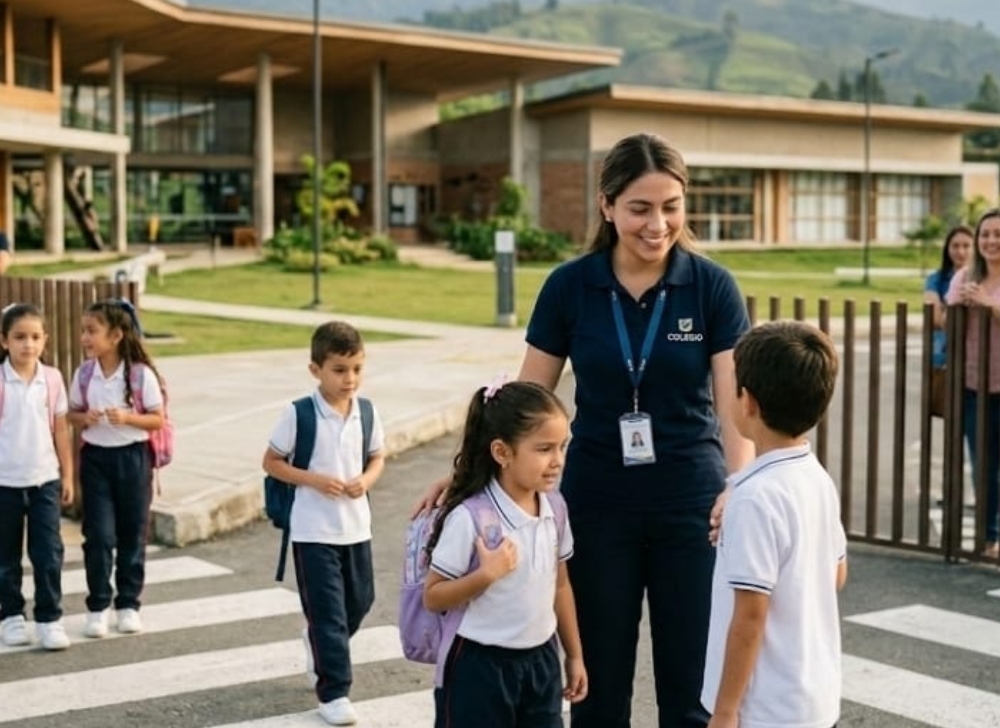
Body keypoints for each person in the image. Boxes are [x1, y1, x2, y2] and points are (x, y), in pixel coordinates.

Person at [415, 133, 754, 727]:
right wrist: (465, 475)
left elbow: (733, 409)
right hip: (596, 508)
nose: (658, 224)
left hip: (693, 508)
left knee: (690, 689)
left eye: (671, 207)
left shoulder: (711, 288)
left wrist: (741, 487)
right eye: (640, 208)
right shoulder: (570, 287)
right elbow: (523, 401)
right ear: (606, 206)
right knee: (597, 689)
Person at [700, 321, 847, 728]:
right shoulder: (817, 478)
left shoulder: (753, 497)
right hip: (812, 698)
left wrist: (726, 710)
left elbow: (750, 617)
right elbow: (836, 573)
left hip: (764, 708)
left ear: (748, 402)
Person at [424, 380, 587, 728]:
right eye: (544, 449)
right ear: (502, 452)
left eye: (562, 447)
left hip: (541, 659)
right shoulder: (470, 518)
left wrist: (574, 655)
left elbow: (560, 586)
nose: (557, 461)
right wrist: (485, 576)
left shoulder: (555, 509)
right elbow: (433, 597)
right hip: (478, 667)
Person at [262, 321, 386, 726]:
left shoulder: (366, 411)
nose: (349, 379)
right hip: (313, 531)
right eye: (339, 369)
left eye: (356, 369)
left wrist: (365, 481)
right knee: (329, 614)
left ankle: (318, 641)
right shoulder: (298, 414)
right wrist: (314, 480)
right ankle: (334, 692)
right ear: (316, 370)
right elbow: (272, 462)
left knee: (360, 602)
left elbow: (377, 457)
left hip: (356, 528)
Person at [67, 300, 164, 638]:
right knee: (98, 536)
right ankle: (97, 606)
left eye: (92, 331)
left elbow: (157, 419)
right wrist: (84, 418)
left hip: (134, 460)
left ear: (117, 335)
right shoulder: (84, 374)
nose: (85, 337)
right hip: (96, 460)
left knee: (132, 534)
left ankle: (128, 604)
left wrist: (128, 418)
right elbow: (71, 414)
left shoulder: (139, 374)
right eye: (83, 331)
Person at [0, 304, 74, 650]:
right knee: (6, 555)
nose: (27, 345)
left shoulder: (53, 379)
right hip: (5, 483)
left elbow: (60, 429)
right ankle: (12, 615)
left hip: (45, 479)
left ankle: (49, 618)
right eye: (19, 337)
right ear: (4, 341)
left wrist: (68, 475)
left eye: (34, 337)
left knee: (47, 553)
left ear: (44, 340)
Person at [946, 208, 1000, 559]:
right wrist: (956, 303)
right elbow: (947, 323)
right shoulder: (965, 275)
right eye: (986, 235)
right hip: (971, 385)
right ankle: (988, 537)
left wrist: (988, 304)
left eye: (997, 235)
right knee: (982, 464)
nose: (991, 241)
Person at [924, 225, 974, 372]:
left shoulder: (984, 278)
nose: (961, 251)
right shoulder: (936, 279)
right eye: (955, 246)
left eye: (966, 246)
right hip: (944, 352)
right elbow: (936, 319)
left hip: (977, 353)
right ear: (947, 249)